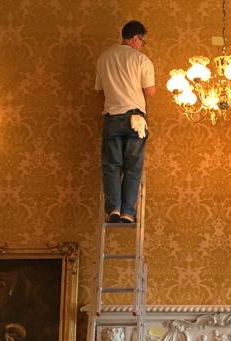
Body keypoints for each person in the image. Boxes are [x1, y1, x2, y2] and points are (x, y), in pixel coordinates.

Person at [95, 20, 156, 224]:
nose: (141, 45)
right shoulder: (141, 59)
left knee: (112, 166)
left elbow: (100, 89)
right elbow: (150, 91)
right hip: (135, 119)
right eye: (142, 41)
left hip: (112, 118)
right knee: (133, 167)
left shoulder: (104, 57)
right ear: (135, 38)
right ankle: (128, 212)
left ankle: (113, 209)